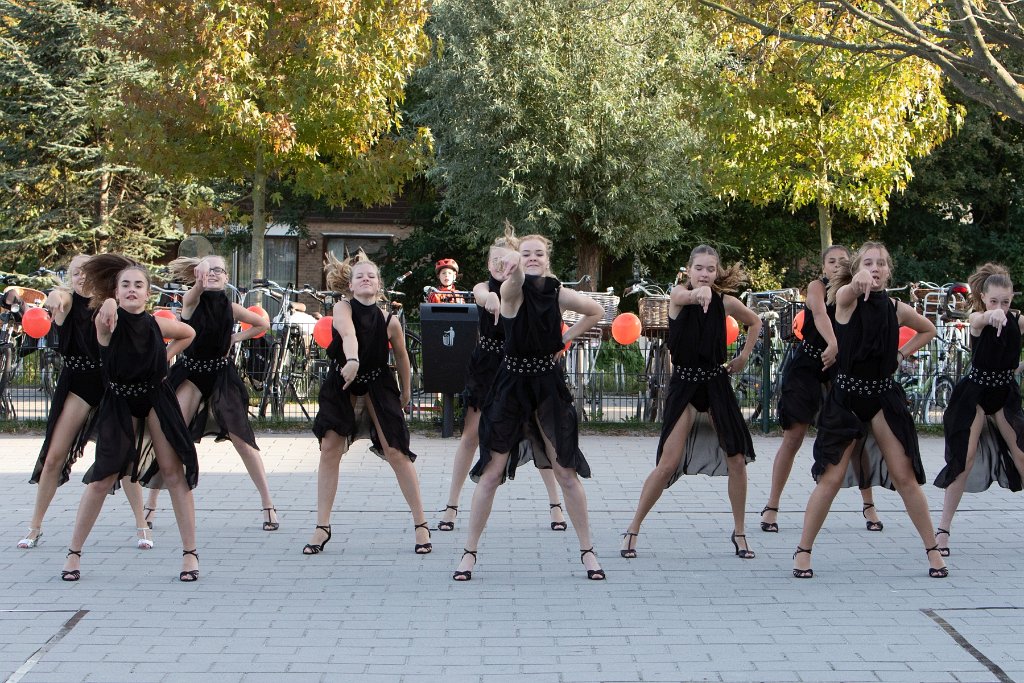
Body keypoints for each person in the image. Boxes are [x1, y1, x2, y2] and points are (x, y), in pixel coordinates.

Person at [452, 233, 605, 582]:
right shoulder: (510, 289)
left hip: (547, 386)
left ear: (547, 259)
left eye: (538, 254)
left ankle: (588, 550)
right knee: (492, 472)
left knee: (565, 470)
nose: (531, 258)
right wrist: (515, 268)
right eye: (525, 253)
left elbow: (596, 311)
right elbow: (516, 281)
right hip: (510, 386)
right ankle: (469, 552)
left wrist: (564, 340)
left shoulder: (556, 291)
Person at [792, 241, 948, 579]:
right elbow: (845, 292)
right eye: (868, 263)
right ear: (858, 267)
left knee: (905, 477)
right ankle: (803, 550)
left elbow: (928, 330)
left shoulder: (895, 308)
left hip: (882, 398)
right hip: (846, 398)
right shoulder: (845, 301)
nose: (875, 268)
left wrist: (901, 354)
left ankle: (933, 550)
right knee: (830, 479)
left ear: (889, 270)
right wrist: (856, 278)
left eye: (880, 263)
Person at [59, 255, 201, 582]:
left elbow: (188, 333)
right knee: (103, 477)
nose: (132, 290)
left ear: (148, 292)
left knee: (172, 471)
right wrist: (109, 301)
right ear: (117, 291)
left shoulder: (156, 323)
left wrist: (164, 357)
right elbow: (103, 316)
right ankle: (73, 554)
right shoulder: (106, 320)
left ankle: (190, 554)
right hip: (119, 401)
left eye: (139, 285)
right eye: (126, 285)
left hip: (155, 397)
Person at [619, 245, 760, 561]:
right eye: (699, 268)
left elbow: (755, 322)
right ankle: (633, 528)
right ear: (689, 270)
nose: (705, 274)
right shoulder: (677, 297)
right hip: (684, 385)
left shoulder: (726, 302)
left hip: (715, 383)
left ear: (717, 271)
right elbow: (681, 297)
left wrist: (744, 356)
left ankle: (739, 532)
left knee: (736, 458)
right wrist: (698, 295)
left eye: (711, 269)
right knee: (667, 463)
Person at [436, 225, 567, 533]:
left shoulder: (529, 289)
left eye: (505, 259)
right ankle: (452, 506)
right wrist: (489, 299)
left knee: (540, 433)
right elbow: (482, 296)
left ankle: (556, 504)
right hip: (488, 366)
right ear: (488, 263)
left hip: (524, 367)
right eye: (494, 259)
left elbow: (550, 320)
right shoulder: (484, 286)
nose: (500, 264)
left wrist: (559, 342)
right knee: (471, 434)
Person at [19, 255, 151, 551]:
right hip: (77, 384)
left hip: (110, 384)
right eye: (76, 272)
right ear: (70, 276)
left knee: (125, 457)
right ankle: (34, 527)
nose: (81, 277)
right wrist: (55, 293)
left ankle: (142, 525)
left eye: (86, 272)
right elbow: (59, 297)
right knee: (54, 456)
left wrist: (111, 302)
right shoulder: (65, 301)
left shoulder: (109, 302)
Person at [303, 252, 430, 556]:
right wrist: (352, 359)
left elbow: (401, 357)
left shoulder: (390, 321)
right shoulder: (342, 307)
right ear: (350, 284)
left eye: (371, 275)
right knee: (330, 450)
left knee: (397, 451)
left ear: (379, 284)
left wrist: (407, 390)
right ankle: (322, 526)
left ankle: (421, 524)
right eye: (359, 275)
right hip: (343, 381)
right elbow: (347, 333)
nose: (365, 279)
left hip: (377, 382)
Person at [141, 255, 280, 532]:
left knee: (243, 440)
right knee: (171, 434)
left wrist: (236, 337)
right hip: (191, 375)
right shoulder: (191, 301)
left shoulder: (231, 307)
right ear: (198, 274)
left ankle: (268, 504)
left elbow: (263, 324)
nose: (213, 274)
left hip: (221, 375)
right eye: (208, 270)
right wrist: (200, 280)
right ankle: (151, 503)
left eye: (219, 270)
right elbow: (193, 293)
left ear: (227, 278)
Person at [760, 246, 885, 534]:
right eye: (832, 261)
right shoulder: (816, 287)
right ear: (823, 266)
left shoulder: (854, 290)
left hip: (842, 367)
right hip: (809, 363)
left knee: (853, 438)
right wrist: (833, 343)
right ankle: (772, 505)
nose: (837, 265)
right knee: (794, 436)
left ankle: (869, 505)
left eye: (843, 261)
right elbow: (819, 314)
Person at [933, 263, 1024, 556]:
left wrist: (1017, 367)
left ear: (1012, 299)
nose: (1001, 306)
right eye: (995, 300)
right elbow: (981, 319)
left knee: (1022, 453)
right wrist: (991, 314)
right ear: (984, 297)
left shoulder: (1018, 320)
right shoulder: (977, 318)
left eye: (1006, 302)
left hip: (1004, 394)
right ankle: (943, 530)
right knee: (965, 457)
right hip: (975, 394)